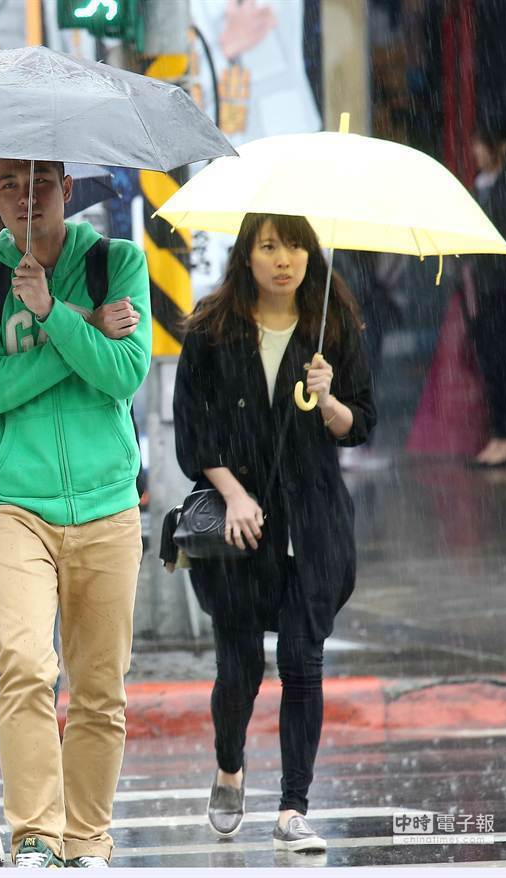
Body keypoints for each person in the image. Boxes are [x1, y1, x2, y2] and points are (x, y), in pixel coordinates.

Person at [0, 196, 143, 867]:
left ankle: (87, 840)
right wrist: (83, 329)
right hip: (8, 501)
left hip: (106, 501)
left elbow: (124, 372)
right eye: (6, 185)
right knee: (21, 666)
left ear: (66, 185)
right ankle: (33, 834)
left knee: (100, 688)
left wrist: (52, 316)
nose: (22, 201)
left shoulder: (115, 264)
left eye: (34, 184)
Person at [173, 213, 375, 853]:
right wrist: (232, 494)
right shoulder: (212, 329)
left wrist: (330, 396)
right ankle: (229, 764)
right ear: (247, 256)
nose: (283, 259)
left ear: (310, 254)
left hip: (312, 525)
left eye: (293, 245)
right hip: (239, 529)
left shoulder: (332, 327)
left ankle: (294, 806)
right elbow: (191, 432)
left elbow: (361, 423)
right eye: (268, 246)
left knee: (302, 662)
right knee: (238, 669)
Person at [465, 123, 506, 468]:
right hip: (477, 288)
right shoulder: (477, 185)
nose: (476, 152)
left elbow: (503, 232)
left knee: (504, 362)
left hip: (500, 287)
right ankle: (498, 432)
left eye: (481, 146)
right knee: (487, 361)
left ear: (499, 147)